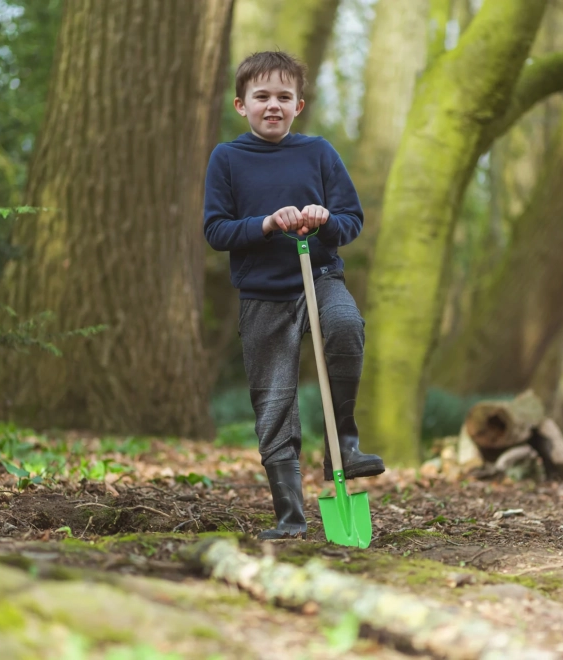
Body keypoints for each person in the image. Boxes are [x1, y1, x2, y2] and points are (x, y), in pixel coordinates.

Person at [204, 51, 385, 540]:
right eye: (261, 97)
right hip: (263, 294)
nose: (273, 106)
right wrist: (266, 223)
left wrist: (324, 220)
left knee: (346, 326)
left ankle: (343, 447)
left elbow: (352, 219)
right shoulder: (227, 158)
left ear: (299, 104)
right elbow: (216, 230)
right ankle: (290, 517)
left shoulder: (320, 153)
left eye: (284, 97)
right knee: (274, 401)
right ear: (241, 105)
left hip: (319, 274)